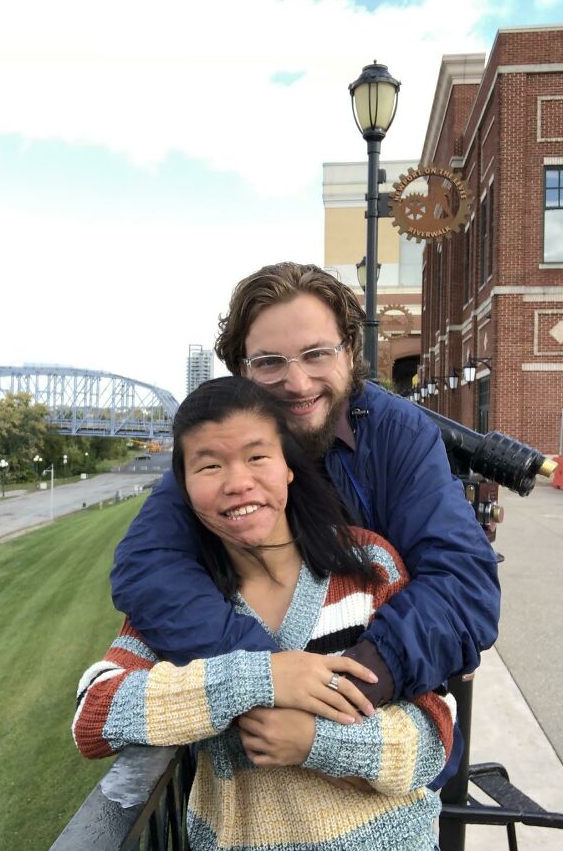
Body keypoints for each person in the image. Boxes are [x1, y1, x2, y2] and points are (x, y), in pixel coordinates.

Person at [111, 263, 499, 772]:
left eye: (317, 353)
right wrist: (269, 675)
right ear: (242, 371)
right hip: (260, 796)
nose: (297, 382)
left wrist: (341, 689)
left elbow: (464, 583)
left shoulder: (397, 433)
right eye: (270, 361)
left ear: (350, 351)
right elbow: (148, 565)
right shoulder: (226, 450)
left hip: (387, 757)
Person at [75, 377, 453, 851]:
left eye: (258, 457)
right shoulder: (184, 600)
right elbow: (95, 714)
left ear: (289, 468)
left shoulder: (366, 565)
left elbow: (434, 736)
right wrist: (261, 677)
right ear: (183, 487)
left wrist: (315, 742)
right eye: (209, 465)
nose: (238, 482)